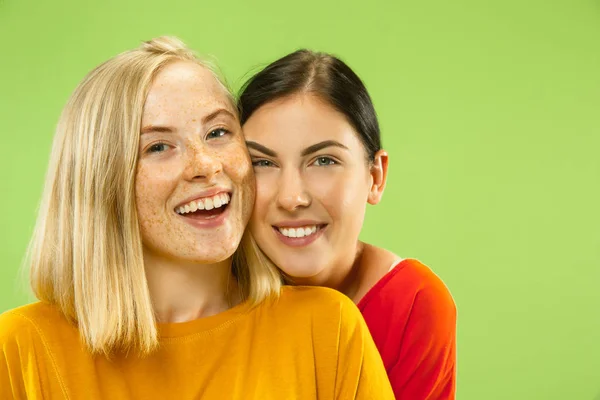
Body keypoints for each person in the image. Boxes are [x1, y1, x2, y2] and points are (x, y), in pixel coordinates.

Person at [0, 37, 395, 399]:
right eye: (158, 146)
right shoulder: (21, 350)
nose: (205, 165)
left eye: (218, 132)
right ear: (101, 180)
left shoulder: (327, 330)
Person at [239, 49, 457, 399]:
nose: (291, 197)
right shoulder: (208, 290)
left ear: (375, 176)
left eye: (323, 160)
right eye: (262, 163)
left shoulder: (413, 305)